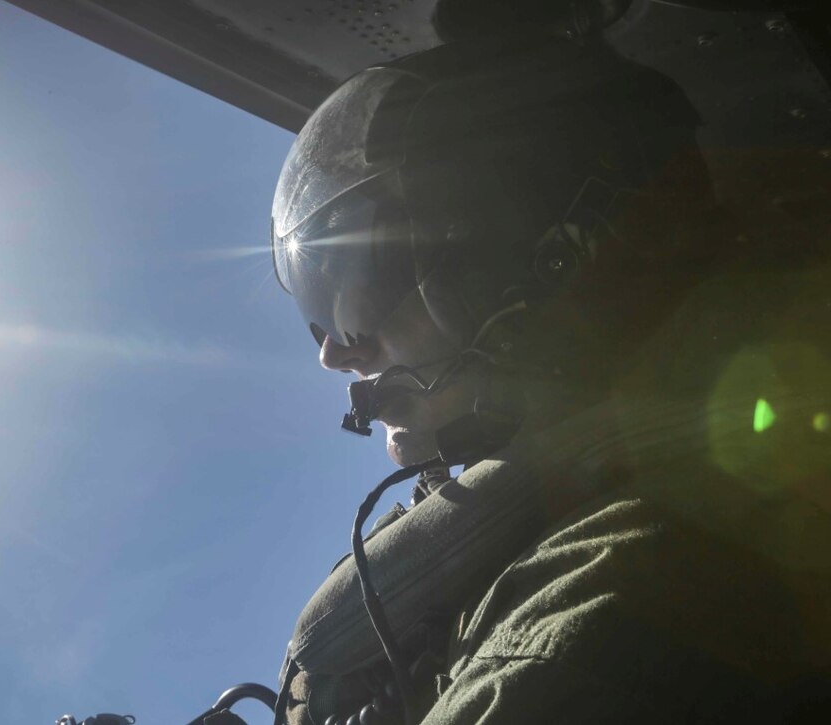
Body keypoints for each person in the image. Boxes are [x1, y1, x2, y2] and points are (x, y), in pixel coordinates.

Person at [266, 9, 831, 725]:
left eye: (359, 287)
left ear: (543, 257)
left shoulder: (615, 608)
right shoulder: (595, 498)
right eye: (321, 310)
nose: (332, 351)